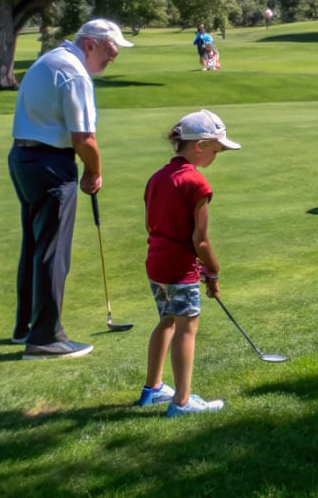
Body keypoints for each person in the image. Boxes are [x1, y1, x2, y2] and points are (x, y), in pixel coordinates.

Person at [8, 18, 133, 359]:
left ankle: (26, 328)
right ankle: (45, 338)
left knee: (36, 246)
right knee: (53, 251)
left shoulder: (51, 59)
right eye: (111, 49)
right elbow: (84, 138)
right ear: (90, 44)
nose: (115, 56)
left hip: (24, 158)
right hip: (50, 164)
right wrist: (95, 172)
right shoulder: (74, 72)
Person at [139, 109, 240, 416]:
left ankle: (152, 389)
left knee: (167, 320)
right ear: (199, 146)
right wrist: (213, 271)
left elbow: (149, 225)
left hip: (156, 265)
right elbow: (202, 240)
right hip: (179, 269)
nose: (217, 155)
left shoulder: (157, 178)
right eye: (216, 149)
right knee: (187, 327)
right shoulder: (197, 184)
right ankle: (181, 402)